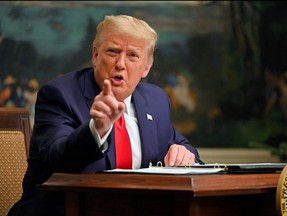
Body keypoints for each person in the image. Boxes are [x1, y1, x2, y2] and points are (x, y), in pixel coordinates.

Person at [8, 15, 203, 216]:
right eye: (113, 51)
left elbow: (182, 146)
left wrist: (184, 152)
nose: (120, 64)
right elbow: (57, 157)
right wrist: (96, 130)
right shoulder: (59, 95)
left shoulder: (155, 100)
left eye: (132, 55)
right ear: (95, 55)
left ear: (146, 67)